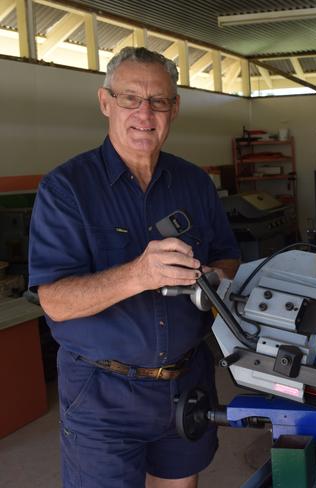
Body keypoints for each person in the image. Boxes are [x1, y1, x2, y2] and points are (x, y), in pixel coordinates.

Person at [28, 47, 240, 488]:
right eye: (130, 99)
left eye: (158, 101)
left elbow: (227, 254)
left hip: (185, 383)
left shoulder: (194, 183)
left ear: (174, 108)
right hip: (103, 393)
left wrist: (214, 281)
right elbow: (55, 301)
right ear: (106, 102)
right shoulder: (66, 189)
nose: (145, 113)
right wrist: (137, 275)